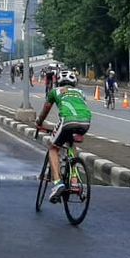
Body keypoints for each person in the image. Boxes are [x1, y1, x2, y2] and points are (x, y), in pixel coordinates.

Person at [35, 70, 91, 202]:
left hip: (67, 121)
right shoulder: (80, 93)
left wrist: (39, 122)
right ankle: (75, 181)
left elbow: (45, 111)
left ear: (58, 82)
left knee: (53, 148)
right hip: (86, 122)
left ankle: (57, 183)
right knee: (71, 144)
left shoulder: (55, 91)